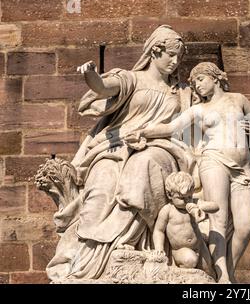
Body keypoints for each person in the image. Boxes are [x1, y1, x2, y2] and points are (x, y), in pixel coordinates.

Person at [46, 25, 196, 280]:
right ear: (154, 51)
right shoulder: (132, 79)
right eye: (170, 54)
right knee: (102, 182)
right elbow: (103, 88)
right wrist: (90, 74)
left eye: (179, 57)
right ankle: (88, 260)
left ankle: (127, 244)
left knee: (142, 167)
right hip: (114, 147)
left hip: (160, 149)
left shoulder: (181, 92)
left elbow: (195, 126)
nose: (175, 61)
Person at [125, 62, 250, 283]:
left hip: (242, 169)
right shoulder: (199, 110)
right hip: (214, 162)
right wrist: (142, 131)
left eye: (200, 80)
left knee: (245, 226)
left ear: (215, 77)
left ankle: (229, 267)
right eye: (194, 83)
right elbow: (171, 128)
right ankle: (224, 277)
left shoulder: (239, 99)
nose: (196, 86)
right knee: (218, 221)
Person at [152, 171, 218, 276]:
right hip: (180, 250)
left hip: (199, 246)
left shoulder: (194, 203)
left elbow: (215, 207)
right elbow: (158, 230)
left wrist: (200, 207)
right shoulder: (168, 210)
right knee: (190, 260)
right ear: (170, 195)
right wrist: (159, 248)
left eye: (189, 197)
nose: (187, 201)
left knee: (209, 271)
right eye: (182, 198)